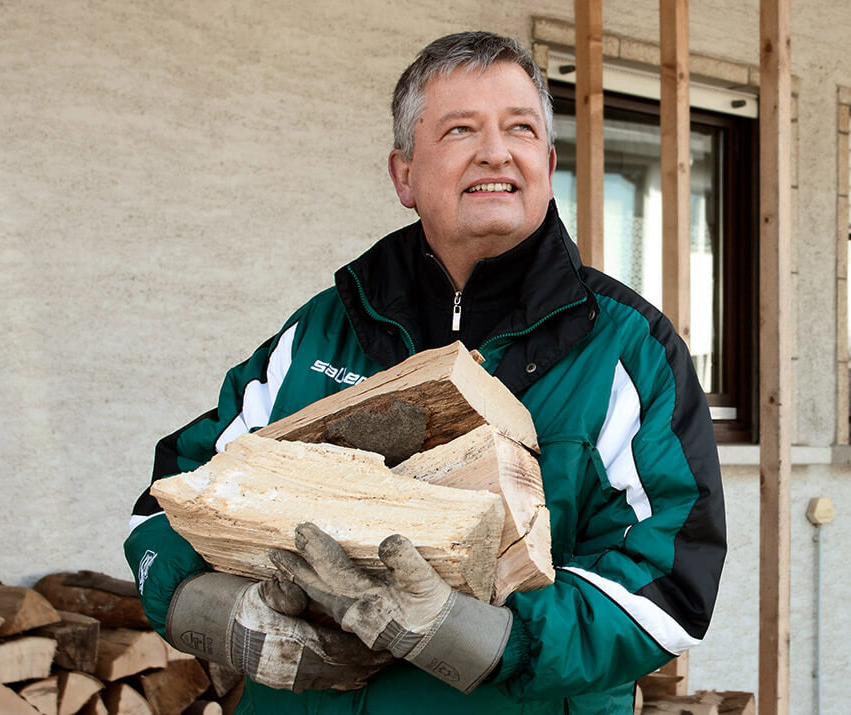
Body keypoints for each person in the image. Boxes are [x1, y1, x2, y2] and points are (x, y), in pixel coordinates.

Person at [122, 31, 726, 714]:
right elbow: (167, 502)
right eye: (460, 129)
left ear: (548, 162)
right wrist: (222, 609)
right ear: (403, 174)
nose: (496, 151)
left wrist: (479, 637)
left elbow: (670, 586)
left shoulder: (627, 349)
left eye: (520, 129)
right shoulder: (320, 332)